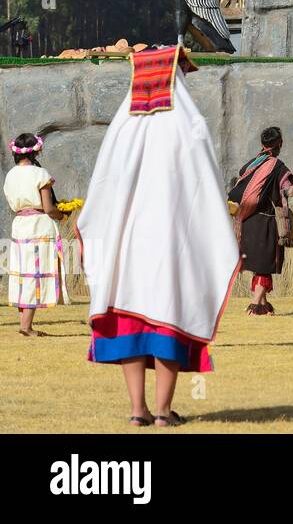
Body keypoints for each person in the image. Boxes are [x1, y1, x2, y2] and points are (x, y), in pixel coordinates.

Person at [78, 45, 240, 427]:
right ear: (175, 77)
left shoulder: (122, 130)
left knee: (131, 324)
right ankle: (164, 411)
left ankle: (138, 411)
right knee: (170, 315)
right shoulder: (190, 128)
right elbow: (206, 190)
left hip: (128, 247)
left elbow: (104, 188)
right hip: (171, 247)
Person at [229, 126, 293, 316]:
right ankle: (255, 306)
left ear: (262, 144)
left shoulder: (249, 165)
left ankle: (264, 305)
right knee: (264, 265)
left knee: (259, 266)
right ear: (280, 144)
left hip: (246, 222)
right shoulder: (277, 166)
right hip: (265, 223)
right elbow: (289, 191)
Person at [5, 133, 67, 335]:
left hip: (20, 224)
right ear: (36, 150)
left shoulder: (11, 174)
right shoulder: (40, 174)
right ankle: (26, 326)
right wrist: (62, 214)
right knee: (34, 273)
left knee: (22, 272)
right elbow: (49, 208)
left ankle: (24, 324)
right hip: (38, 225)